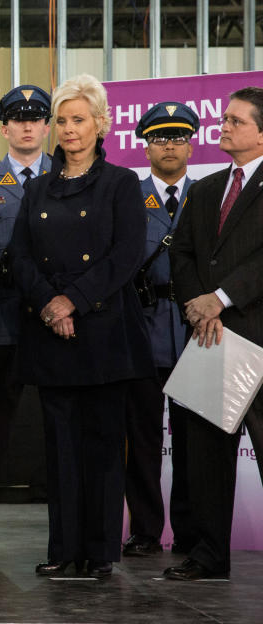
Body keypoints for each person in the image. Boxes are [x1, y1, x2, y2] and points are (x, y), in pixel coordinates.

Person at [8, 73, 152, 578]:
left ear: (100, 124)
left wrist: (73, 300)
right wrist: (50, 303)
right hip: (51, 332)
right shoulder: (39, 186)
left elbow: (127, 255)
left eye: (79, 120)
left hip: (104, 330)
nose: (69, 130)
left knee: (103, 446)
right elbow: (19, 255)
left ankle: (98, 553)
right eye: (62, 121)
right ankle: (63, 550)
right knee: (60, 445)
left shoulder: (121, 183)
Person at [164, 86, 263, 581]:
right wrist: (200, 308)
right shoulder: (204, 189)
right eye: (223, 119)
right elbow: (181, 253)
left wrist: (221, 298)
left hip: (258, 340)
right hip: (211, 340)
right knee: (206, 457)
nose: (222, 127)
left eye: (236, 121)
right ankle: (207, 555)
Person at [0, 84, 53, 553]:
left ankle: (69, 534)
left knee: (62, 431)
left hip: (56, 323)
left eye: (36, 118)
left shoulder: (67, 177)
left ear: (46, 126)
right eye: (17, 119)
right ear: (4, 127)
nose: (26, 126)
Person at [122, 102, 200, 558]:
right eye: (158, 138)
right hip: (142, 330)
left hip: (195, 333)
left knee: (194, 441)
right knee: (143, 440)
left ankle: (190, 530)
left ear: (190, 144)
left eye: (176, 137)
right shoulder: (128, 195)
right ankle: (146, 530)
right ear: (145, 146)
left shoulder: (208, 195)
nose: (168, 146)